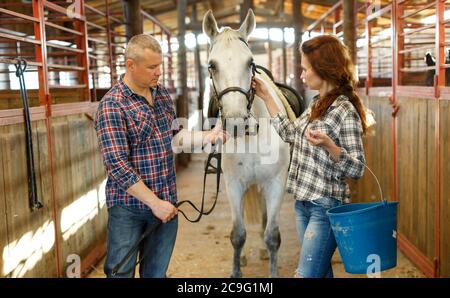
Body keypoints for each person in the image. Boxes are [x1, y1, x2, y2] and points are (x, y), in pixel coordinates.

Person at [94, 34, 226, 278]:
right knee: (120, 273)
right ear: (130, 65)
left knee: (156, 274)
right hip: (129, 207)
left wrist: (209, 136)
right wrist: (154, 204)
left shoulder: (162, 95)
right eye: (152, 67)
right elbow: (117, 166)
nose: (158, 73)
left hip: (166, 201)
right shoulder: (112, 105)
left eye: (160, 67)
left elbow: (174, 137)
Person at [253, 34, 368, 278]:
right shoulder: (316, 104)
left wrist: (330, 146)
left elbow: (357, 169)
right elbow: (290, 133)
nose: (302, 75)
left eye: (306, 69)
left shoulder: (344, 110)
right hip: (303, 204)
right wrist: (265, 96)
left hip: (325, 207)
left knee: (305, 274)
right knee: (320, 272)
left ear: (323, 69)